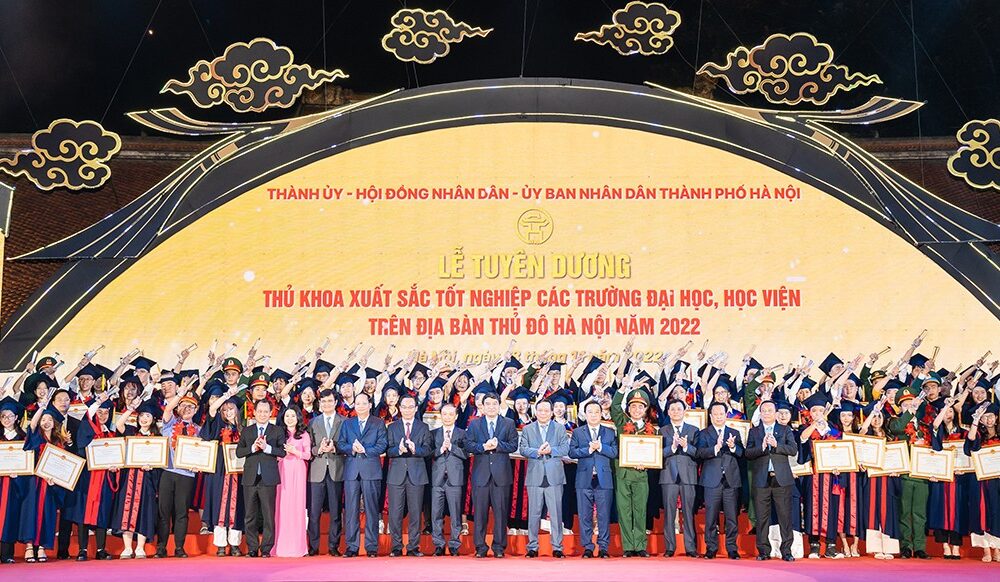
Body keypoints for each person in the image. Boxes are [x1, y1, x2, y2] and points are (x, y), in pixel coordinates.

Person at [464, 391, 518, 558]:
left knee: (500, 513)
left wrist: (498, 445)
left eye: (495, 404)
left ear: (499, 405)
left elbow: (513, 445)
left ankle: (499, 547)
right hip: (481, 475)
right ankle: (480, 547)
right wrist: (483, 447)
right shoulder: (474, 424)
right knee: (480, 513)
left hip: (501, 475)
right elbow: (468, 445)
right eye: (488, 404)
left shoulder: (508, 423)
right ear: (483, 406)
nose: (492, 407)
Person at [745, 400, 798, 562]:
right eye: (764, 411)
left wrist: (776, 445)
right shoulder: (754, 431)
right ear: (760, 414)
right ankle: (763, 551)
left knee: (785, 516)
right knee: (762, 517)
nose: (767, 413)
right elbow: (748, 453)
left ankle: (786, 551)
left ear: (776, 414)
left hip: (781, 479)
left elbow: (793, 449)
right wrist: (761, 448)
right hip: (761, 480)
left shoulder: (785, 429)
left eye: (770, 410)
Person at [236, 395, 288, 558]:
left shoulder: (277, 430)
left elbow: (282, 452)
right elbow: (239, 452)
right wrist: (252, 448)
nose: (263, 414)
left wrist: (267, 448)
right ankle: (252, 548)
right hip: (250, 478)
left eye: (266, 411)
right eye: (260, 411)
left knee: (268, 515)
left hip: (268, 478)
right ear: (254, 412)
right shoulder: (247, 430)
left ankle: (266, 548)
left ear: (271, 413)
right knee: (250, 515)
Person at [338, 391, 387, 558]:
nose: (360, 406)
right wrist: (352, 448)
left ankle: (372, 547)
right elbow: (341, 444)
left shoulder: (378, 423)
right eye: (357, 403)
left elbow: (382, 445)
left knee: (372, 510)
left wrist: (365, 449)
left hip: (371, 470)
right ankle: (351, 546)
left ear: (370, 405)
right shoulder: (347, 423)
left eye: (364, 403)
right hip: (352, 471)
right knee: (351, 510)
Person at [156, 378, 201, 558]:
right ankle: (161, 547)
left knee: (182, 513)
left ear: (196, 410)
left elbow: (202, 453)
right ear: (178, 407)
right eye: (183, 405)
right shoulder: (170, 423)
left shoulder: (198, 430)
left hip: (187, 475)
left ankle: (179, 547)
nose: (187, 409)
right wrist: (180, 394)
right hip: (168, 472)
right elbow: (167, 409)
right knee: (163, 511)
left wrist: (199, 465)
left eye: (191, 406)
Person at [520, 398, 570, 558]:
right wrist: (537, 452)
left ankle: (557, 547)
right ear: (535, 412)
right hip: (535, 475)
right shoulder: (528, 429)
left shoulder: (560, 428)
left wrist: (551, 450)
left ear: (551, 412)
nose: (543, 413)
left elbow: (565, 448)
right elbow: (523, 449)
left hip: (554, 476)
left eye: (546, 411)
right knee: (533, 513)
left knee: (556, 513)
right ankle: (532, 547)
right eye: (540, 410)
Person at [610, 385, 656, 557]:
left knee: (640, 510)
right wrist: (622, 389)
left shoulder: (651, 430)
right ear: (628, 409)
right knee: (624, 510)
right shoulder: (622, 423)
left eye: (640, 407)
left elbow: (653, 454)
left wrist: (647, 464)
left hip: (641, 475)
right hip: (623, 473)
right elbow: (615, 407)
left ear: (645, 409)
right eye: (633, 406)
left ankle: (640, 545)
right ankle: (628, 546)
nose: (637, 409)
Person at [112, 398, 161, 559]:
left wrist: (152, 466)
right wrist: (130, 409)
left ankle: (140, 547)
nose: (144, 419)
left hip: (147, 480)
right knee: (126, 510)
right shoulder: (131, 432)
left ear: (153, 419)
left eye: (148, 416)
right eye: (141, 416)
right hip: (130, 478)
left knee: (144, 512)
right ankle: (127, 548)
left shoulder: (158, 437)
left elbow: (161, 461)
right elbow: (119, 424)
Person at [568, 400, 617, 559]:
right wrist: (588, 449)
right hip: (584, 478)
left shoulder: (609, 432)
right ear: (585, 414)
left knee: (604, 515)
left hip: (604, 478)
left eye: (597, 412)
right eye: (590, 412)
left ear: (601, 413)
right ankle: (588, 547)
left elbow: (615, 452)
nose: (594, 415)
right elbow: (572, 452)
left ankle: (603, 547)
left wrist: (601, 447)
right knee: (584, 515)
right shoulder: (578, 432)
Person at [200, 384, 244, 556]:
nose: (228, 412)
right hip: (220, 470)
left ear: (237, 410)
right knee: (219, 504)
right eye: (225, 410)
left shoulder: (244, 429)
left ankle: (234, 544)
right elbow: (212, 409)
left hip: (238, 472)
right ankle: (220, 544)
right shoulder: (218, 425)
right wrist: (226, 396)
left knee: (237, 506)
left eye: (231, 409)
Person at [697, 401, 744, 560]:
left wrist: (733, 447)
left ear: (726, 415)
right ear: (710, 416)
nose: (718, 417)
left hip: (731, 480)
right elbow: (699, 453)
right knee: (711, 517)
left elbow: (742, 453)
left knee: (731, 517)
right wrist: (715, 448)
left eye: (721, 414)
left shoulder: (734, 432)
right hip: (711, 480)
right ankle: (711, 548)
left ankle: (732, 548)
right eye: (715, 414)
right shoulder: (704, 433)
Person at [386, 394, 432, 556]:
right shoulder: (392, 427)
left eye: (410, 407)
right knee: (395, 513)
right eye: (404, 407)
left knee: (415, 512)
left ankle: (413, 547)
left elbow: (428, 450)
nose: (407, 410)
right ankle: (396, 547)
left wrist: (415, 449)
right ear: (399, 408)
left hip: (417, 474)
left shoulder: (423, 427)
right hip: (396, 475)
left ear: (416, 408)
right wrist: (398, 450)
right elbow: (388, 450)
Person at [659, 398, 700, 558]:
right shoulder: (662, 431)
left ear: (684, 411)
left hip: (688, 476)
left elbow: (698, 453)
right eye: (673, 409)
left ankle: (691, 547)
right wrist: (673, 447)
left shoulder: (694, 430)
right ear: (668, 412)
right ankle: (670, 547)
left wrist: (686, 446)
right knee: (669, 513)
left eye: (679, 409)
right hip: (668, 475)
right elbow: (658, 454)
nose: (676, 412)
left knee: (688, 513)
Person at [306, 389, 346, 556]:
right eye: (323, 401)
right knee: (314, 512)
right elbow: (308, 447)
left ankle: (333, 546)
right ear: (320, 403)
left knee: (335, 511)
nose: (327, 404)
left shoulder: (344, 422)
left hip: (337, 470)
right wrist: (319, 449)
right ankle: (313, 546)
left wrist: (335, 448)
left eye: (330, 401)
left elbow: (347, 444)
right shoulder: (312, 423)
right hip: (317, 471)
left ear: (335, 402)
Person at [273, 406, 312, 557]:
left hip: (298, 470)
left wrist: (294, 451)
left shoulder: (304, 435)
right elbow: (274, 453)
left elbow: (308, 455)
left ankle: (298, 546)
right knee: (282, 506)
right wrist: (282, 453)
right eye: (287, 416)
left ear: (298, 418)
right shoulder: (278, 433)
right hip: (282, 469)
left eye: (293, 416)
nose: (290, 419)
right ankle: (281, 545)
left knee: (297, 505)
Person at [430, 403, 466, 556]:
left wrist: (451, 447)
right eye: (445, 414)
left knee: (455, 513)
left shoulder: (462, 433)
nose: (447, 417)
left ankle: (454, 544)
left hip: (455, 478)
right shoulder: (433, 433)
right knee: (436, 513)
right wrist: (440, 450)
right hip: (437, 479)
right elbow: (428, 452)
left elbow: (466, 454)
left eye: (451, 414)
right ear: (440, 415)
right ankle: (438, 544)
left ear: (456, 416)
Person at [0, 397, 28, 563]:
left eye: (10, 416)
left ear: (16, 417)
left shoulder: (23, 438)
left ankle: (7, 554)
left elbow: (27, 462)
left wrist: (19, 474)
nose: (6, 419)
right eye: (3, 416)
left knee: (9, 516)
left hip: (14, 484)